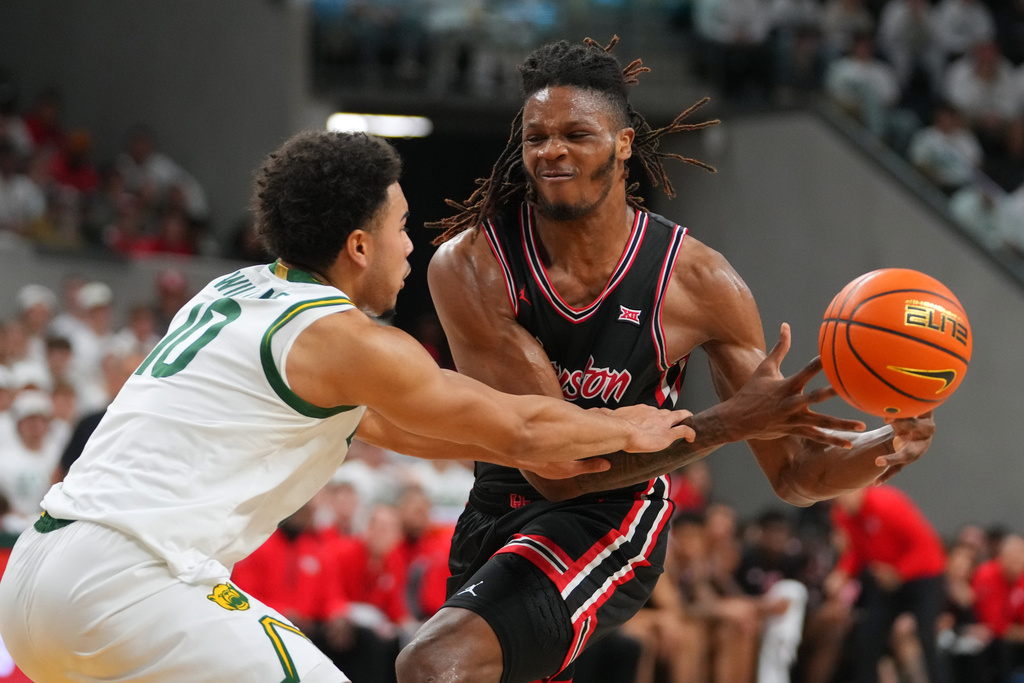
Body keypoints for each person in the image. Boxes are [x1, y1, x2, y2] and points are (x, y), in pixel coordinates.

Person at [0, 130, 697, 683]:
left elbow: (408, 428)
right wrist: (622, 424)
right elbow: (515, 420)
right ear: (358, 246)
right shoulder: (342, 337)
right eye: (399, 224)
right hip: (127, 580)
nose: (411, 243)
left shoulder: (233, 290)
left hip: (36, 575)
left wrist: (526, 446)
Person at [399, 36, 936, 683]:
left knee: (435, 663)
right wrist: (726, 422)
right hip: (502, 499)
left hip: (611, 513)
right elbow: (552, 468)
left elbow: (794, 475)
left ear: (624, 143)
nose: (552, 151)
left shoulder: (700, 282)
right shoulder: (473, 266)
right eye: (536, 136)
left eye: (576, 133)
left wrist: (884, 446)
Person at [827, 485, 948, 683]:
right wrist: (842, 573)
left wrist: (899, 572)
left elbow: (926, 546)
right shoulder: (842, 515)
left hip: (923, 577)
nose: (840, 500)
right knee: (868, 635)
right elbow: (858, 551)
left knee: (925, 635)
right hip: (886, 581)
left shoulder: (886, 504)